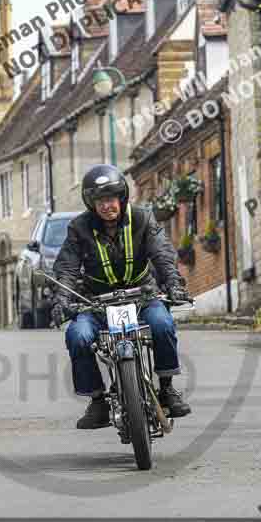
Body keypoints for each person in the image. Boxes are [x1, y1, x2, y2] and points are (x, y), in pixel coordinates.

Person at [51, 164, 192, 430]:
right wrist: (61, 300)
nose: (106, 206)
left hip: (142, 296)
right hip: (96, 303)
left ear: (122, 198)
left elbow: (161, 253)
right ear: (91, 204)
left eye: (110, 199)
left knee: (162, 324)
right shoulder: (79, 228)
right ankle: (96, 400)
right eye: (99, 201)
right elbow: (67, 267)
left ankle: (167, 388)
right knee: (77, 336)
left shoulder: (143, 218)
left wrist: (173, 284)